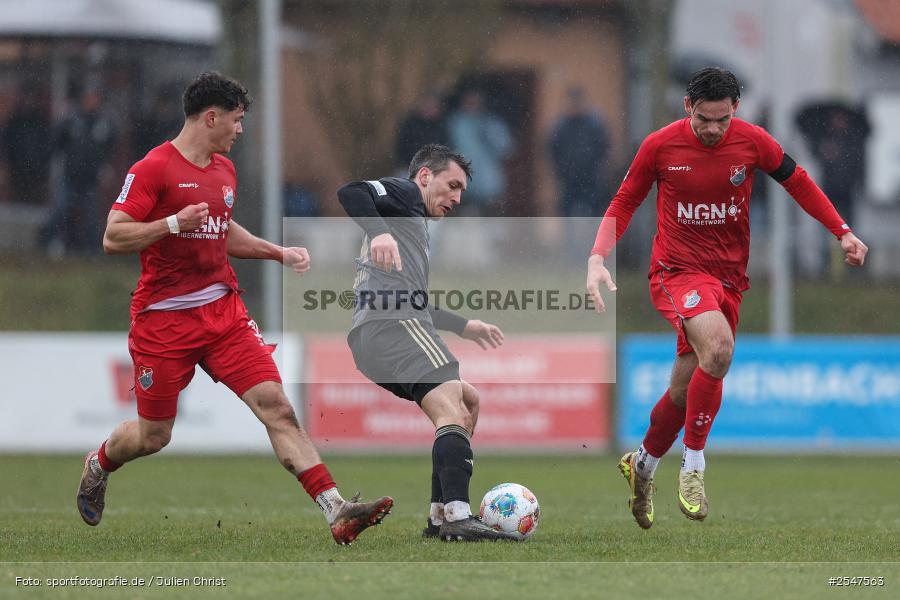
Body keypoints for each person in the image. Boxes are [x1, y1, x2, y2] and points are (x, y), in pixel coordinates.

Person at [76, 72, 392, 545]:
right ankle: (99, 464)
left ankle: (336, 510)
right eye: (237, 120)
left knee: (277, 408)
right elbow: (113, 235)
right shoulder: (153, 169)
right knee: (152, 436)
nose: (240, 130)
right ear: (211, 117)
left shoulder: (223, 170)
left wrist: (277, 252)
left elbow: (223, 229)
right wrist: (169, 223)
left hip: (223, 313)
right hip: (163, 320)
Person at [585, 67, 868, 529]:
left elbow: (798, 181)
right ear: (687, 108)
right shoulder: (660, 146)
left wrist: (842, 231)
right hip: (676, 273)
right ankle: (693, 468)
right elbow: (623, 203)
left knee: (683, 390)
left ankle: (643, 464)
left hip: (729, 281)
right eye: (703, 120)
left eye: (721, 120)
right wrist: (598, 257)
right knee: (718, 349)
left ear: (734, 109)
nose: (713, 130)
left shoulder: (754, 141)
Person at [337, 143, 517, 541]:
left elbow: (408, 295)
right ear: (424, 176)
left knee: (467, 401)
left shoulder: (412, 222)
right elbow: (352, 191)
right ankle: (457, 516)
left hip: (378, 333)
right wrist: (379, 232)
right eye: (451, 185)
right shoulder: (404, 196)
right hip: (393, 326)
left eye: (462, 191)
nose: (456, 197)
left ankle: (440, 518)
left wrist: (462, 324)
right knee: (452, 403)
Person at [446, 89, 514, 216]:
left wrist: (490, 138)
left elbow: (507, 149)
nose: (472, 105)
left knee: (490, 224)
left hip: (489, 185)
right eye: (469, 101)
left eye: (476, 101)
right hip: (464, 187)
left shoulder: (492, 124)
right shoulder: (455, 124)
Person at [548, 86, 610, 218]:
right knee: (567, 214)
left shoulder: (594, 124)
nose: (574, 106)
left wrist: (596, 168)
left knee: (594, 212)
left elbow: (603, 148)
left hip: (590, 177)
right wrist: (561, 170)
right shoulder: (561, 126)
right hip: (568, 178)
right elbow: (552, 150)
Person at [394, 91, 449, 169]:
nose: (430, 110)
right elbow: (402, 149)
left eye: (433, 107)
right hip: (410, 167)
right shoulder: (410, 124)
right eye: (427, 106)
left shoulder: (441, 126)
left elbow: (446, 148)